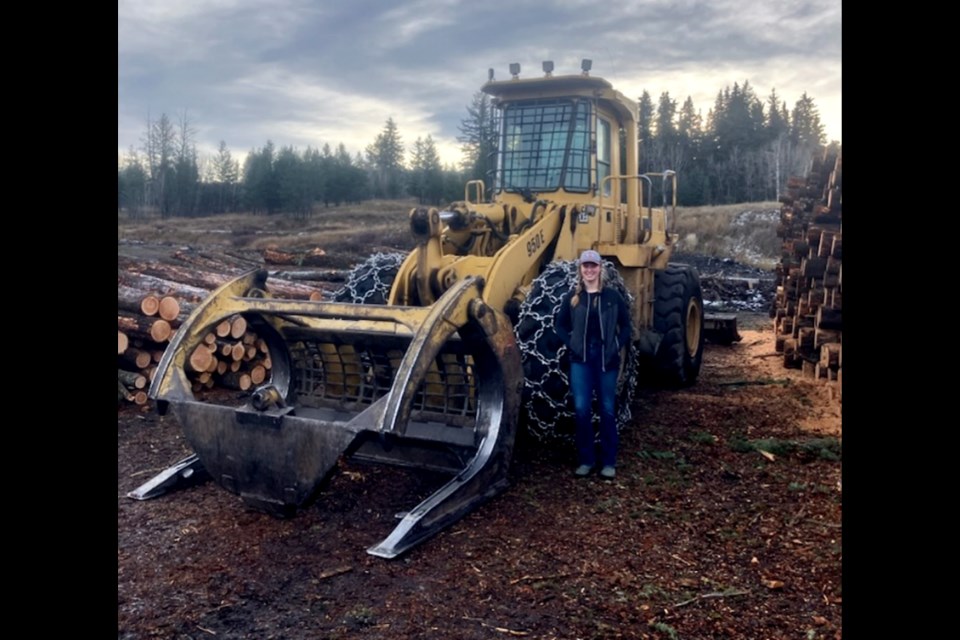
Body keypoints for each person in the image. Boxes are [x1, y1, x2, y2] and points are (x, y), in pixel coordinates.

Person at [554, 249, 632, 479]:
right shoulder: (572, 298)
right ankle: (587, 460)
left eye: (593, 266)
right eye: (585, 266)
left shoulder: (612, 297)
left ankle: (608, 462)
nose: (589, 270)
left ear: (600, 269)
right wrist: (573, 344)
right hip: (581, 361)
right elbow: (560, 326)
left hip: (606, 360)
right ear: (581, 270)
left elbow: (627, 326)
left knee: (607, 410)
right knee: (582, 410)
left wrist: (616, 345)